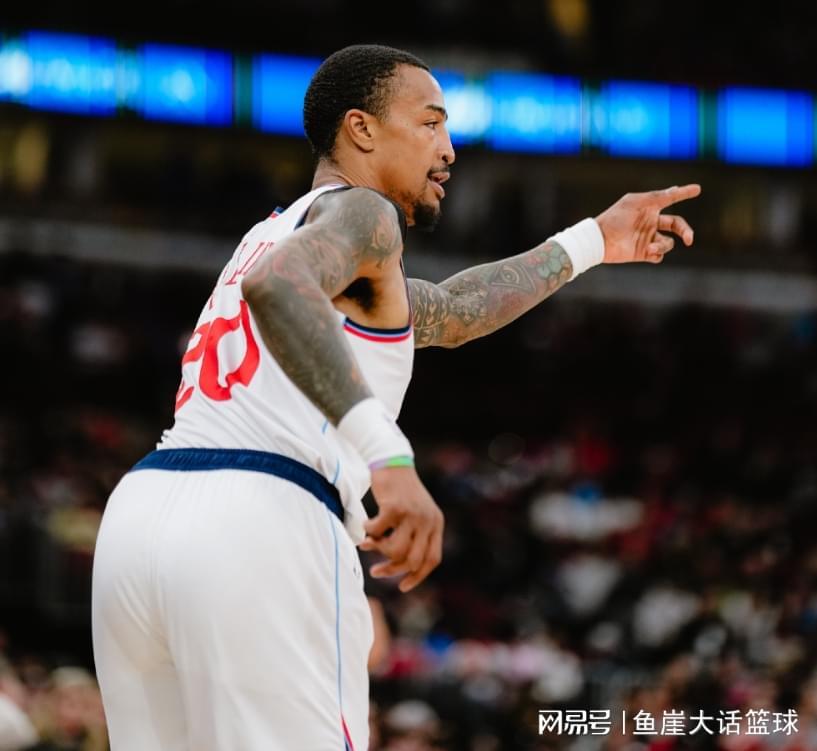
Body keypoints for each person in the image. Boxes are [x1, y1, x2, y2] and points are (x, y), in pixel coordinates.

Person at [90, 43, 701, 750]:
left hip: (140, 517)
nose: (448, 148)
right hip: (261, 514)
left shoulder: (274, 232)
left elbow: (451, 310)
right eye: (430, 123)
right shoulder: (365, 213)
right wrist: (387, 455)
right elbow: (277, 288)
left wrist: (593, 239)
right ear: (361, 129)